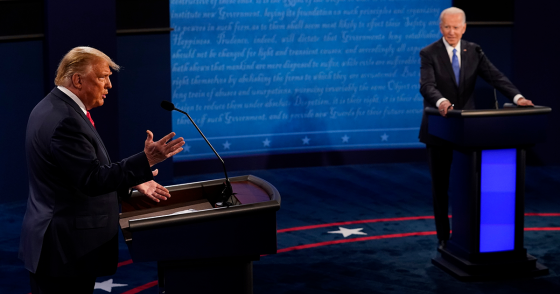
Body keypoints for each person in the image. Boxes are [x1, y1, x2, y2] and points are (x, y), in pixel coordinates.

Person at [19, 46, 185, 293]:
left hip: (59, 246)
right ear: (77, 79)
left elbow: (73, 176)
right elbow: (92, 179)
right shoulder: (66, 120)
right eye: (102, 77)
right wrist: (146, 161)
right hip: (65, 251)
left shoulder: (51, 106)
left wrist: (129, 180)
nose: (108, 84)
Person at [418, 7, 534, 250]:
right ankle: (443, 236)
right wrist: (441, 102)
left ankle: (467, 233)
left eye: (456, 27)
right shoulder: (429, 53)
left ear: (464, 28)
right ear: (441, 28)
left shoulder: (475, 51)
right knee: (440, 186)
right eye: (447, 27)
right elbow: (427, 86)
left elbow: (496, 78)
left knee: (467, 184)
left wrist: (518, 98)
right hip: (438, 128)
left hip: (467, 131)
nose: (451, 32)